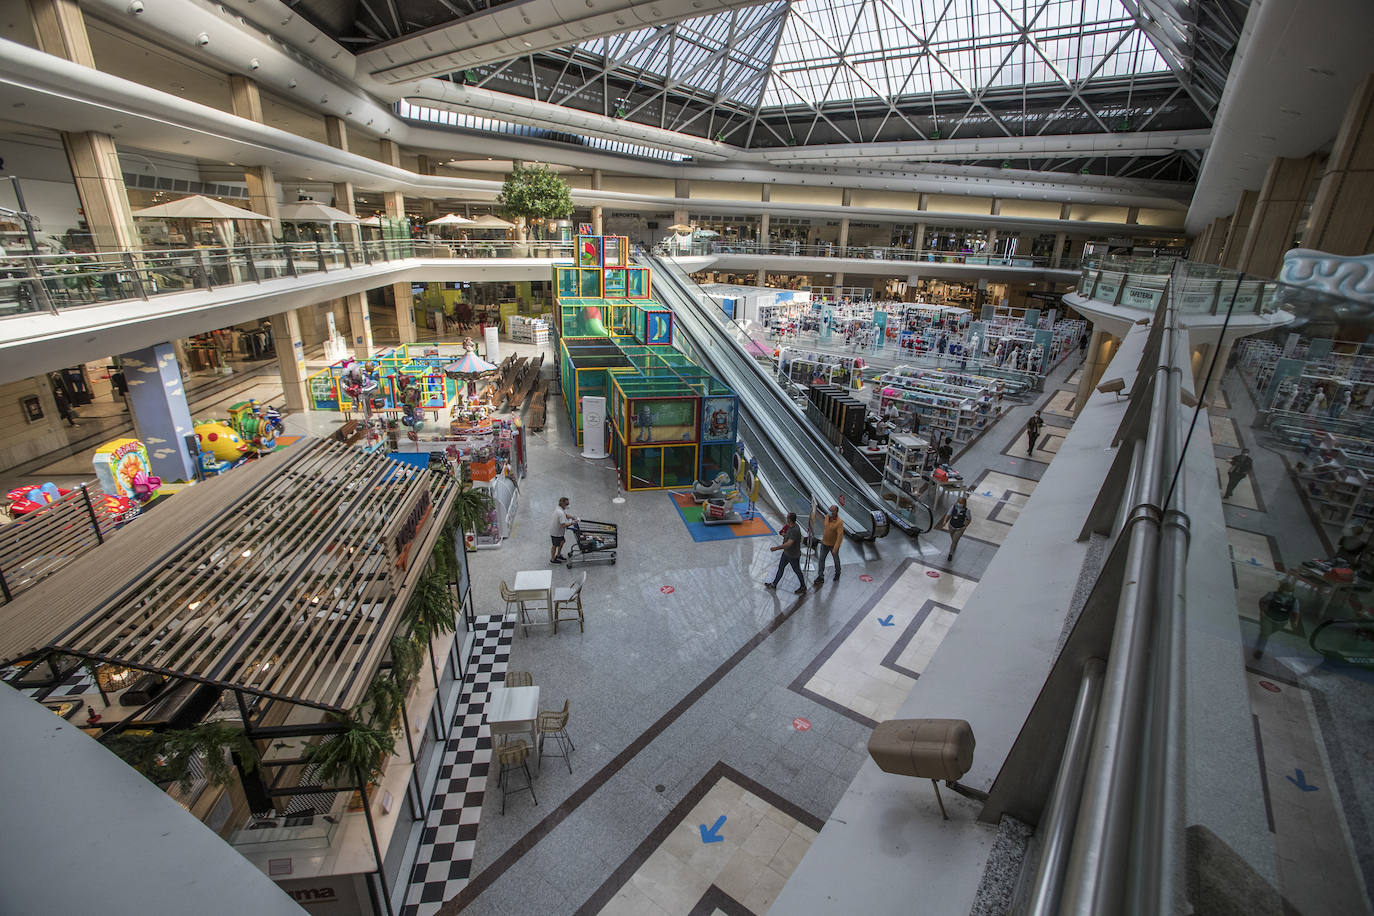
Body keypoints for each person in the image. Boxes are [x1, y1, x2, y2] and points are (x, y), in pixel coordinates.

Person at [1252, 577, 1299, 660]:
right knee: (1265, 634)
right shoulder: (1272, 594)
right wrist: (1262, 611)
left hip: (1281, 622)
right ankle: (1260, 651)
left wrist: (1295, 621)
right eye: (1286, 590)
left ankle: (1260, 641)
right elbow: (1262, 601)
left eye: (1290, 591)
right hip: (1267, 618)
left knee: (1265, 634)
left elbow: (1296, 612)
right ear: (1281, 589)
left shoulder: (1294, 601)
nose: (1288, 592)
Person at [765, 511, 807, 595]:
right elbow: (789, 537)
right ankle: (774, 584)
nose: (786, 518)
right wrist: (785, 535)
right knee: (781, 568)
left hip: (793, 555)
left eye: (787, 517)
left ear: (790, 520)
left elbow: (789, 543)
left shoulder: (795, 530)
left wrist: (776, 548)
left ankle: (803, 586)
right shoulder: (791, 527)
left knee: (797, 570)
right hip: (787, 553)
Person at [815, 505, 844, 586]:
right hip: (824, 543)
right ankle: (820, 576)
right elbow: (823, 521)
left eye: (832, 511)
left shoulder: (839, 522)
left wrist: (836, 547)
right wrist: (816, 512)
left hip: (833, 545)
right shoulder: (827, 517)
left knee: (836, 559)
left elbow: (840, 537)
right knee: (821, 560)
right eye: (829, 510)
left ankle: (838, 573)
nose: (830, 512)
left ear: (836, 512)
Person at [942, 493, 971, 561]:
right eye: (958, 502)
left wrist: (965, 526)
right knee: (953, 538)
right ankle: (954, 544)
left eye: (961, 503)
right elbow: (948, 514)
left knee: (954, 541)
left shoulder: (967, 511)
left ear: (964, 503)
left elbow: (969, 519)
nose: (959, 504)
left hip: (960, 528)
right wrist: (945, 521)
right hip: (951, 526)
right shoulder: (953, 507)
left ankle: (950, 554)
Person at [550, 496, 577, 564]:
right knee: (555, 545)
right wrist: (572, 522)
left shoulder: (560, 508)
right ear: (562, 504)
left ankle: (558, 555)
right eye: (567, 504)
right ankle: (552, 559)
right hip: (556, 532)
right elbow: (563, 525)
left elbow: (566, 515)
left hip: (558, 531)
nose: (568, 505)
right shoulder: (560, 513)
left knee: (562, 541)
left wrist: (573, 517)